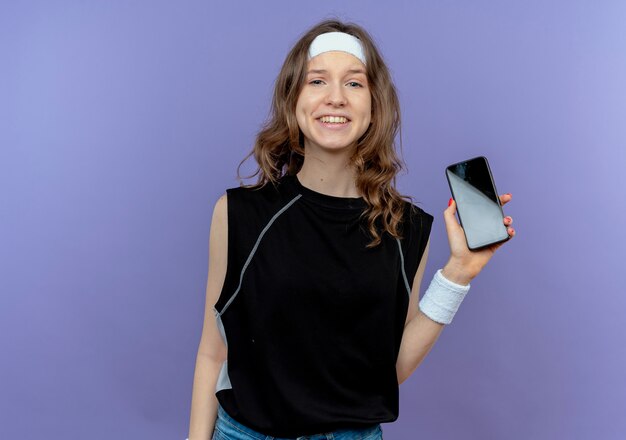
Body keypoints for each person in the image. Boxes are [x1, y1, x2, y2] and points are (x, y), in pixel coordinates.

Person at [187, 19, 515, 440]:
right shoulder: (237, 213)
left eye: (355, 84)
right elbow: (213, 354)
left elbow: (389, 370)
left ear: (375, 105)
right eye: (317, 80)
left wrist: (458, 274)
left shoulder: (406, 228)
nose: (336, 97)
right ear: (294, 99)